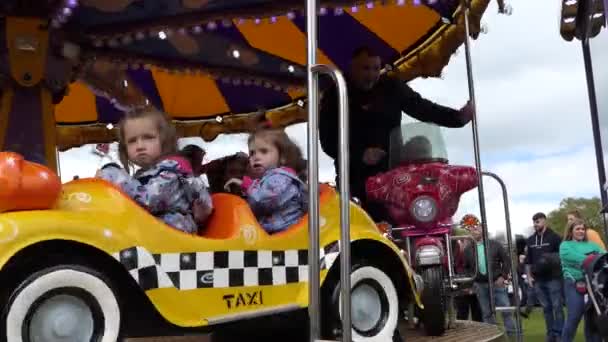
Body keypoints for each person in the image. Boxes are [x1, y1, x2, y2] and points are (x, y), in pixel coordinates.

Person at [319, 46, 473, 220]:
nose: (371, 75)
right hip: (354, 178)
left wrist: (458, 118)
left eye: (376, 68)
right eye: (365, 68)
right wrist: (360, 154)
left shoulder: (392, 87)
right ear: (351, 67)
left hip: (393, 174)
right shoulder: (335, 94)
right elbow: (327, 141)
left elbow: (423, 108)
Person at [97, 110, 213, 234]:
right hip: (155, 234)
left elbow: (148, 200)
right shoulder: (143, 174)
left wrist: (112, 173)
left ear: (164, 141)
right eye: (132, 141)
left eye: (148, 138)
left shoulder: (171, 170)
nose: (140, 146)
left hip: (172, 236)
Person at [224, 129, 307, 234]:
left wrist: (247, 185)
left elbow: (263, 200)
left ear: (282, 157)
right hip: (275, 233)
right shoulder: (269, 178)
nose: (256, 157)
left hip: (285, 234)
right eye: (252, 153)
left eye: (264, 151)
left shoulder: (281, 178)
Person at [463, 221, 518, 337]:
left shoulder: (495, 245)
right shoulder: (468, 249)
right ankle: (493, 336)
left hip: (496, 283)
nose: (474, 231)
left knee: (505, 310)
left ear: (483, 229)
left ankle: (512, 335)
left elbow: (507, 261)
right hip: (479, 285)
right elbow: (466, 268)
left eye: (476, 228)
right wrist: (472, 283)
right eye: (472, 229)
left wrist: (503, 277)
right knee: (486, 313)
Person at [559, 218, 604, 342]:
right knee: (574, 316)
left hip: (594, 284)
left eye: (583, 229)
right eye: (577, 229)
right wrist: (594, 258)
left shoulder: (593, 245)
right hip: (574, 283)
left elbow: (604, 258)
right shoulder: (565, 246)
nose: (581, 231)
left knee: (593, 318)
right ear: (571, 231)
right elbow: (577, 258)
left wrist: (595, 259)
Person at [525, 212, 564, 342]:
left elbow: (562, 257)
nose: (535, 224)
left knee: (557, 306)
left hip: (554, 279)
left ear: (544, 221)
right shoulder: (530, 240)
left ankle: (559, 334)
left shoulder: (555, 237)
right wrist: (529, 277)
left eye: (538, 221)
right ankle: (550, 334)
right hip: (538, 281)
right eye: (534, 222)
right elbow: (528, 261)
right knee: (546, 308)